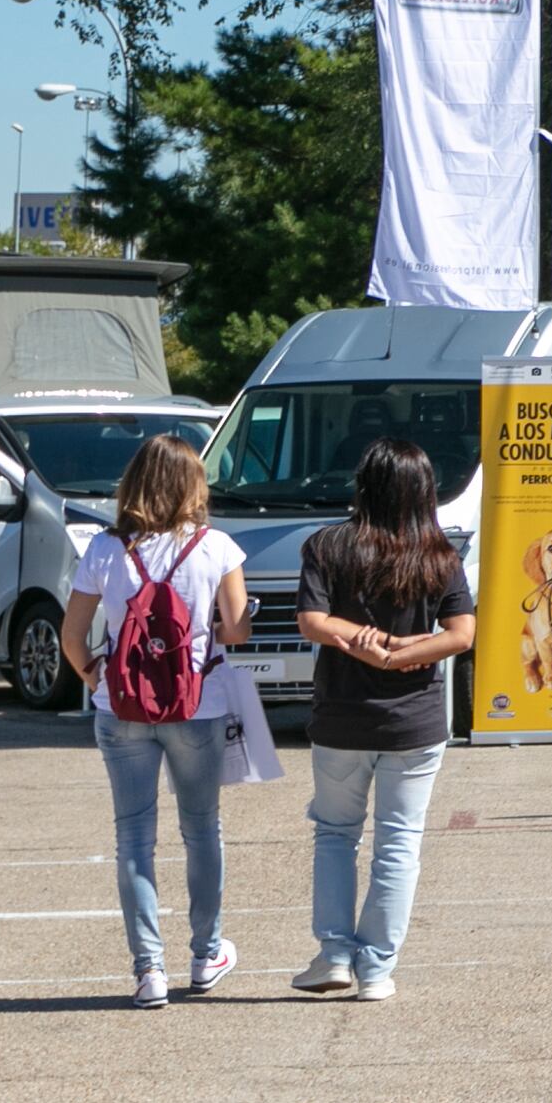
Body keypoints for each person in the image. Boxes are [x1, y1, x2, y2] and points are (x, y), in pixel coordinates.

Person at [61, 432, 252, 1010]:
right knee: (202, 829)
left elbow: (72, 636)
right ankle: (205, 953)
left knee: (133, 836)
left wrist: (96, 678)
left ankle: (149, 971)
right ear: (193, 484)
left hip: (121, 708)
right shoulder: (217, 547)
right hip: (199, 704)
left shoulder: (103, 549)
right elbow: (238, 629)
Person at [293, 438, 476, 1000]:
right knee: (399, 843)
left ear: (364, 485)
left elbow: (311, 621)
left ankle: (334, 955)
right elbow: (463, 634)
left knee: (336, 835)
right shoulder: (440, 555)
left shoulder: (327, 545)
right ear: (423, 492)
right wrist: (399, 653)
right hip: (414, 721)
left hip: (342, 715)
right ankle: (377, 968)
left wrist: (363, 645)